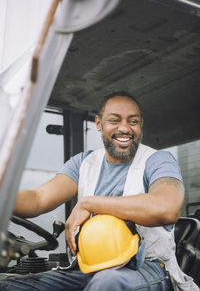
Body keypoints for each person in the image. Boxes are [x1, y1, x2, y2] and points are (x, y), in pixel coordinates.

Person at [0, 91, 198, 291]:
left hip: (148, 266)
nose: (124, 128)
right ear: (98, 124)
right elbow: (37, 199)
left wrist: (89, 203)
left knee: (108, 283)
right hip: (90, 266)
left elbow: (166, 208)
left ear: (140, 125)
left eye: (133, 121)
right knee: (8, 285)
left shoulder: (158, 160)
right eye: (114, 120)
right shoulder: (83, 163)